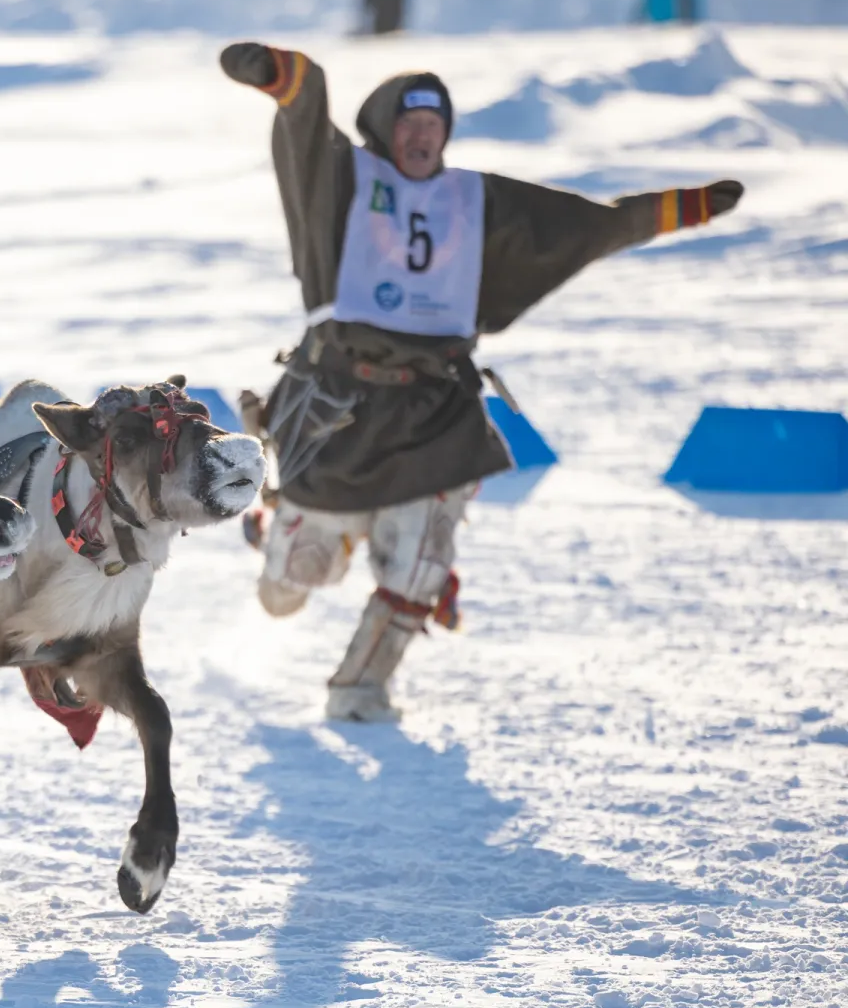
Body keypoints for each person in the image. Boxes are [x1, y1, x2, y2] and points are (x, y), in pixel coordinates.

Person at [221, 43, 742, 721]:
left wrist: (675, 209)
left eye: (434, 125)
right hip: (338, 407)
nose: (421, 136)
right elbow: (307, 121)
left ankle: (360, 692)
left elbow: (579, 227)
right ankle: (278, 533)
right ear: (384, 128)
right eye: (407, 124)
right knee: (293, 585)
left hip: (436, 409)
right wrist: (281, 77)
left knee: (421, 562)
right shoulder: (346, 182)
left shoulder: (473, 198)